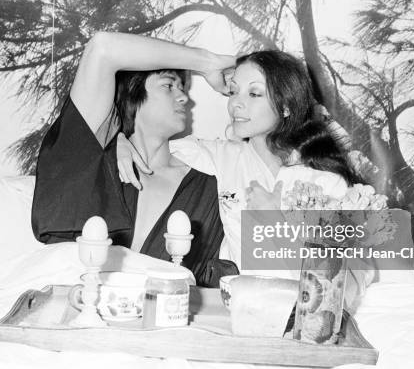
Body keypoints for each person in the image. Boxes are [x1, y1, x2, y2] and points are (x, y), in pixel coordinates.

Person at [118, 48, 362, 271]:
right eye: (234, 91)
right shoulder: (221, 156)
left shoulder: (327, 182)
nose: (236, 103)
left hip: (301, 313)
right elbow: (147, 142)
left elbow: (342, 280)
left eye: (254, 93)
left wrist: (275, 224)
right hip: (236, 309)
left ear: (287, 105)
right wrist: (118, 140)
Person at [31, 32, 238, 287]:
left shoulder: (209, 188)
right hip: (71, 312)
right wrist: (207, 63)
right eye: (168, 86)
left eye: (182, 88)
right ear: (132, 94)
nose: (184, 98)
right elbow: (103, 48)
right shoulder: (89, 159)